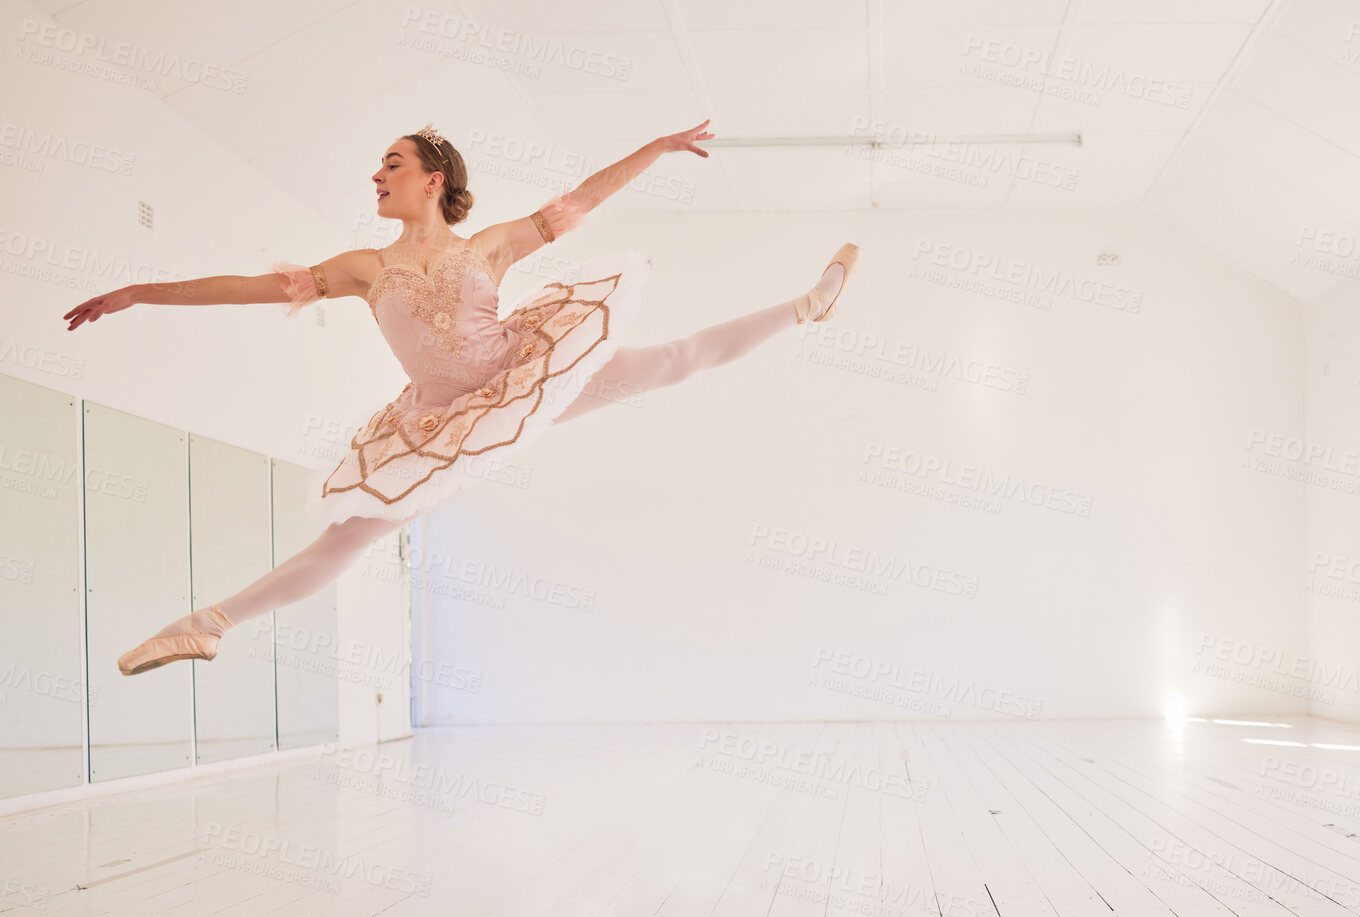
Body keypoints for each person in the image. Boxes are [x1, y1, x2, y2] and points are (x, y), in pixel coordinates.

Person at [61, 121, 859, 676]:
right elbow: (250, 287)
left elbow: (582, 199)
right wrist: (140, 292)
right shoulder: (362, 267)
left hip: (521, 376)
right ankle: (207, 625)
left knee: (670, 359)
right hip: (439, 423)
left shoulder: (493, 243)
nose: (377, 175)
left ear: (433, 178)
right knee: (347, 539)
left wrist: (653, 148)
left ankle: (806, 306)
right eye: (379, 166)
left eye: (393, 163)